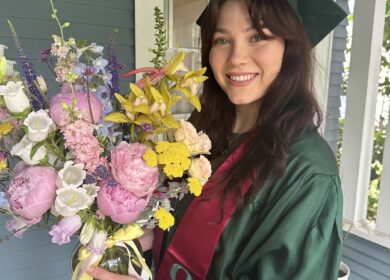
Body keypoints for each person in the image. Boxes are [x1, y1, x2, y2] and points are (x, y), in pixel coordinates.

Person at [87, 0, 347, 279]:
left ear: (290, 46)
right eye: (223, 39)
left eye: (257, 36)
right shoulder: (203, 132)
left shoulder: (308, 175)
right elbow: (194, 227)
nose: (236, 57)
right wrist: (143, 241)